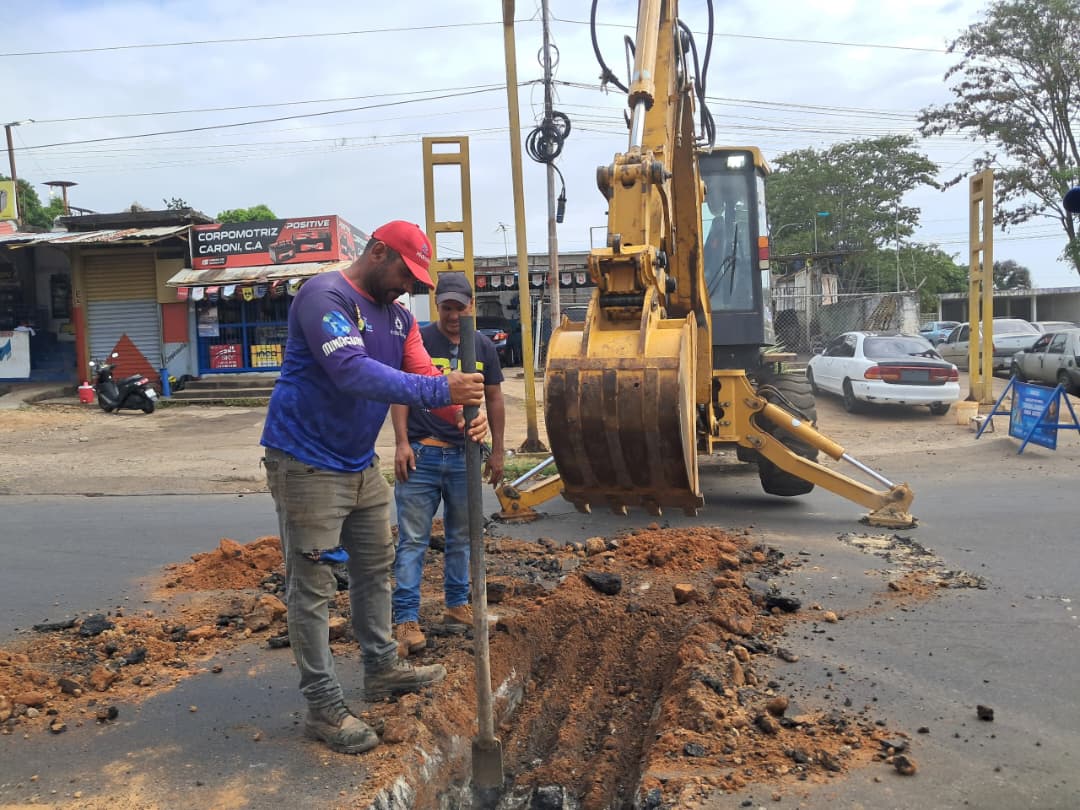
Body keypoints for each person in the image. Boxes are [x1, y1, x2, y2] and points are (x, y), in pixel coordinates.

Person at [260, 220, 487, 756]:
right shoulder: (324, 297)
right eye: (406, 275)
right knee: (313, 586)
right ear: (378, 252)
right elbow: (353, 372)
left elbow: (422, 374)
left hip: (360, 465)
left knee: (374, 568)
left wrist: (463, 416)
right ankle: (323, 706)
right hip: (307, 461)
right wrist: (442, 390)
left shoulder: (399, 316)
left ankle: (381, 668)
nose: (408, 288)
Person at [391, 272, 505, 657]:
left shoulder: (483, 346)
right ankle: (406, 619)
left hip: (464, 456)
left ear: (471, 306)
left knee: (462, 536)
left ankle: (457, 605)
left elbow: (495, 399)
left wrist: (498, 451)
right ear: (437, 305)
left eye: (460, 307)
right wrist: (402, 443)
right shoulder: (419, 340)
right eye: (446, 307)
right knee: (413, 540)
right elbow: (401, 393)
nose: (453, 315)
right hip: (422, 453)